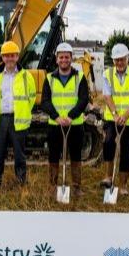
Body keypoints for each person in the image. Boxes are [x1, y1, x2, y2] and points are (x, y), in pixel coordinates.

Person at [0, 41, 36, 197]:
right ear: (2, 57)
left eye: (12, 55)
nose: (9, 58)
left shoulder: (26, 76)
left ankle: (22, 186)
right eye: (6, 55)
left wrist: (23, 112)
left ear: (17, 57)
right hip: (0, 120)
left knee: (20, 155)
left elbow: (32, 97)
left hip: (17, 119)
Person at [41, 42, 89, 196]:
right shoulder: (49, 78)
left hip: (74, 124)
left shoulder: (79, 77)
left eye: (67, 57)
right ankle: (52, 186)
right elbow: (45, 101)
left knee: (75, 156)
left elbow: (83, 100)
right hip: (55, 125)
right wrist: (56, 117)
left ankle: (76, 187)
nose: (64, 60)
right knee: (53, 156)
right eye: (61, 57)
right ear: (57, 59)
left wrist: (70, 116)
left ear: (71, 58)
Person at [99, 43, 129, 195]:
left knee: (126, 150)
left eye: (122, 59)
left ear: (127, 58)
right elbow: (107, 95)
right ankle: (108, 177)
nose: (119, 63)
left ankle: (123, 184)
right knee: (108, 142)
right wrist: (116, 114)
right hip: (112, 117)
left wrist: (126, 115)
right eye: (116, 60)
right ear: (113, 61)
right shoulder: (107, 74)